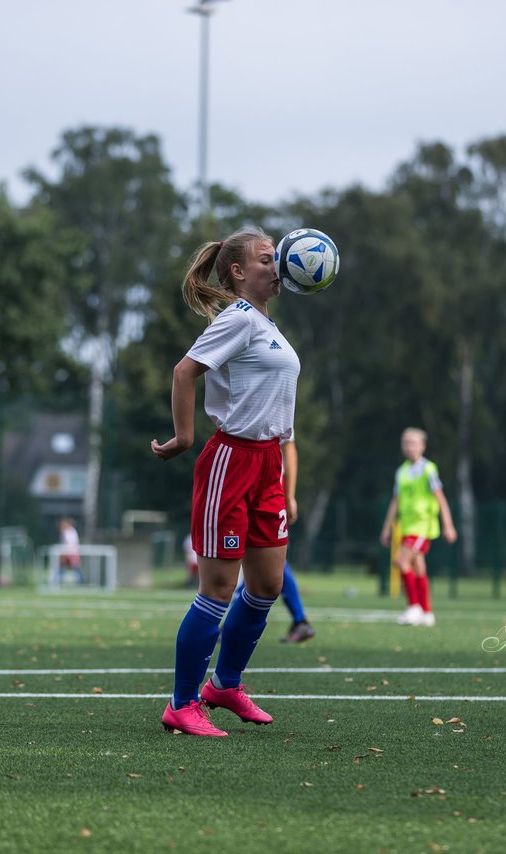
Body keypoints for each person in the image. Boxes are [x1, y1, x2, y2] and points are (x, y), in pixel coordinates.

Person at [151, 227, 299, 737]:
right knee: (218, 588)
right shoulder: (238, 319)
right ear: (238, 272)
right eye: (266, 258)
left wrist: (286, 476)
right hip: (231, 463)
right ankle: (182, 703)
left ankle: (225, 685)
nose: (276, 264)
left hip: (267, 467)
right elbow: (184, 370)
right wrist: (184, 436)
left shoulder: (267, 325)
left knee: (267, 585)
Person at [233, 437, 315, 643]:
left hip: (265, 493)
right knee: (260, 563)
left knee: (268, 562)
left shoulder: (276, 408)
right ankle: (299, 620)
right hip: (251, 488)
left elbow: (289, 449)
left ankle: (300, 620)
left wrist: (289, 497)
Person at [378, 428, 458, 627]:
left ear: (422, 446)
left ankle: (414, 607)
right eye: (406, 442)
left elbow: (441, 498)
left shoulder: (428, 469)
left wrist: (448, 525)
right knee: (418, 566)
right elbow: (395, 502)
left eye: (413, 443)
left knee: (400, 561)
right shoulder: (402, 471)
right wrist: (387, 528)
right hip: (407, 526)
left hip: (423, 526)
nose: (409, 447)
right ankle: (427, 612)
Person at [57, 516, 82, 585]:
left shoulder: (70, 531)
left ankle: (80, 583)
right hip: (68, 552)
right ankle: (58, 582)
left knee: (75, 569)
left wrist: (66, 553)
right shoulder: (67, 532)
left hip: (71, 552)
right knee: (63, 568)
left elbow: (70, 543)